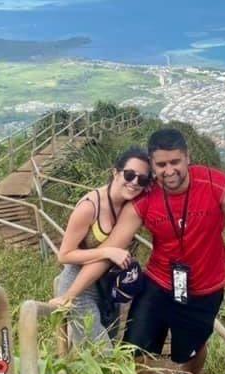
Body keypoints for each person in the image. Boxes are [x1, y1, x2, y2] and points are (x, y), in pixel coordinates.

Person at [55, 127, 225, 374]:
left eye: (175, 162)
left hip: (205, 287)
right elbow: (108, 253)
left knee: (191, 349)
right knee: (136, 347)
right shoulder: (144, 200)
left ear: (188, 157)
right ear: (152, 165)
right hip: (159, 282)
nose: (169, 170)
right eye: (161, 164)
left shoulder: (217, 185)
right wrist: (70, 295)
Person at [55, 147, 152, 345]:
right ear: (115, 172)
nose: (134, 182)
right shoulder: (90, 207)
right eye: (130, 174)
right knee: (103, 354)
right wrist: (107, 251)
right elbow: (64, 255)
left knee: (108, 344)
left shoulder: (130, 204)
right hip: (79, 287)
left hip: (109, 287)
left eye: (142, 179)